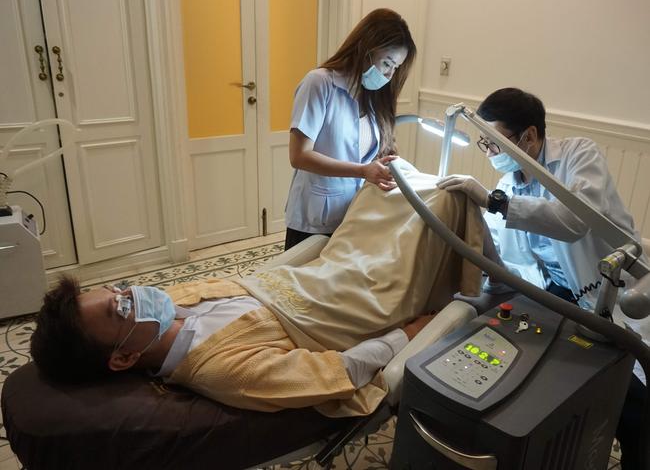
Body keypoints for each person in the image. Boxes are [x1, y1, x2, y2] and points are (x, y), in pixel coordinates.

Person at [31, 161, 486, 418]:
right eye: (120, 308)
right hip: (352, 303)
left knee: (380, 193)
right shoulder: (223, 371)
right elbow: (341, 372)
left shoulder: (175, 304)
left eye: (120, 288)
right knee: (442, 204)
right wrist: (409, 334)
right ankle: (483, 279)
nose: (135, 293)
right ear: (124, 357)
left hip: (319, 274)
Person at [436, 87, 647, 469]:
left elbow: (576, 220)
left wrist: (493, 202)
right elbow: (507, 257)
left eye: (493, 142)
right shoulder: (509, 185)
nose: (488, 152)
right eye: (483, 143)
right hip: (551, 296)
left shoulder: (580, 155)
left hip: (610, 294)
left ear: (528, 137)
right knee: (553, 383)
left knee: (629, 398)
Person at [284, 8, 417, 250]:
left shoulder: (374, 96)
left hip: (354, 214)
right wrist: (363, 171)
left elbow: (367, 153)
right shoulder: (319, 83)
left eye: (395, 67)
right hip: (314, 218)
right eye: (387, 63)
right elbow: (299, 156)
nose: (389, 74)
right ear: (365, 49)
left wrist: (384, 166)